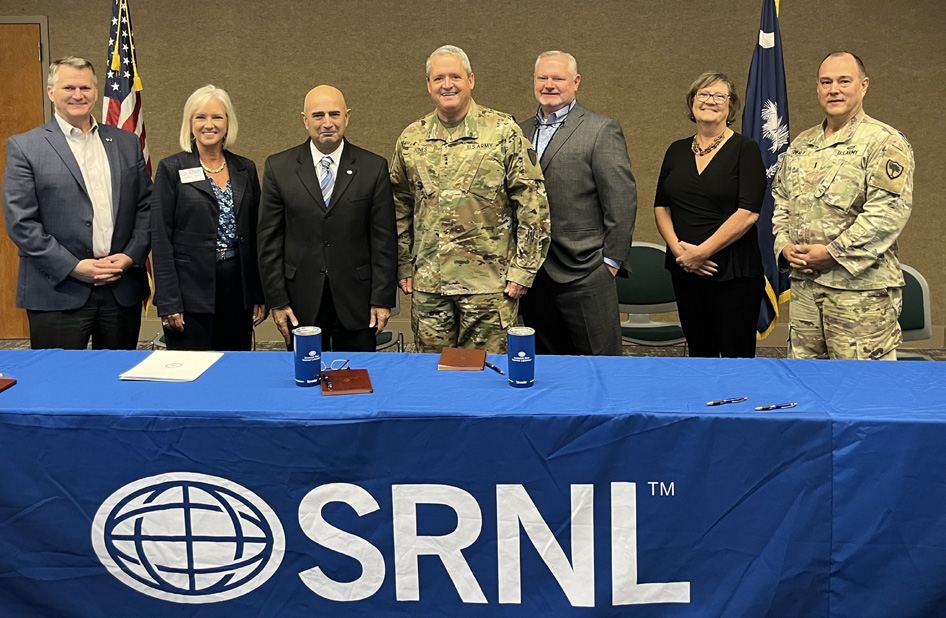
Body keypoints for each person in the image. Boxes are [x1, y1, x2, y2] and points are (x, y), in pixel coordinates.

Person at [391, 45, 550, 354]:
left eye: (455, 76)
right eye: (438, 78)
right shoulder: (411, 138)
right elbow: (397, 207)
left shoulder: (504, 132)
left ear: (471, 80)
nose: (447, 84)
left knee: (487, 381)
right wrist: (402, 265)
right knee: (433, 379)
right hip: (430, 287)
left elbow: (533, 205)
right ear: (428, 85)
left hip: (489, 289)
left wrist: (524, 270)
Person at [2, 57, 151, 350]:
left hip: (120, 287)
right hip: (57, 289)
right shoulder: (25, 146)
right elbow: (21, 223)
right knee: (56, 385)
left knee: (117, 383)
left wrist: (131, 256)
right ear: (50, 92)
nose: (78, 95)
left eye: (85, 87)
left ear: (96, 92)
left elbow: (146, 207)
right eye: (69, 87)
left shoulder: (126, 142)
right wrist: (73, 266)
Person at [772, 51, 914, 360]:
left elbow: (886, 214)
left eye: (843, 81)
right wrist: (784, 245)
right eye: (826, 82)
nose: (833, 89)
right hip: (806, 292)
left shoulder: (884, 141)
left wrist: (833, 253)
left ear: (863, 86)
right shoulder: (801, 144)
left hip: (860, 294)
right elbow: (781, 201)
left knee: (862, 393)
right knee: (806, 387)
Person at [258, 85, 396, 351]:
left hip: (358, 302)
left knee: (355, 380)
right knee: (305, 379)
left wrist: (381, 299)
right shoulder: (279, 167)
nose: (327, 123)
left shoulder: (373, 167)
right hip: (300, 301)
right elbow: (269, 241)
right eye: (318, 115)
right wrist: (277, 301)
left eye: (334, 114)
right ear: (305, 119)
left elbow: (384, 240)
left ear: (347, 116)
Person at [518, 51, 636, 356]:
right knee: (545, 368)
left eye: (557, 78)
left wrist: (610, 263)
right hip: (535, 275)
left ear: (576, 82)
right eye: (542, 77)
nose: (549, 85)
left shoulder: (600, 129)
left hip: (586, 272)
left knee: (600, 365)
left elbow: (621, 200)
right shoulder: (518, 131)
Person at [654, 72, 766, 357]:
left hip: (733, 275)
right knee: (699, 355)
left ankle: (735, 403)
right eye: (703, 94)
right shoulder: (676, 150)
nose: (710, 101)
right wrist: (681, 252)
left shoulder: (746, 149)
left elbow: (748, 213)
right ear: (692, 102)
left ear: (731, 106)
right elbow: (661, 206)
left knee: (734, 357)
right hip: (686, 271)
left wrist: (701, 252)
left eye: (719, 96)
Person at [151, 85, 266, 351]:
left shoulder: (244, 168)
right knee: (191, 371)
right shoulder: (172, 168)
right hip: (189, 291)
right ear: (189, 124)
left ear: (228, 123)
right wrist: (169, 301)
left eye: (217, 117)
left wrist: (259, 292)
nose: (209, 124)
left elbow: (256, 235)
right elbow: (160, 238)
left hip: (237, 289)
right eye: (200, 117)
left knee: (234, 368)